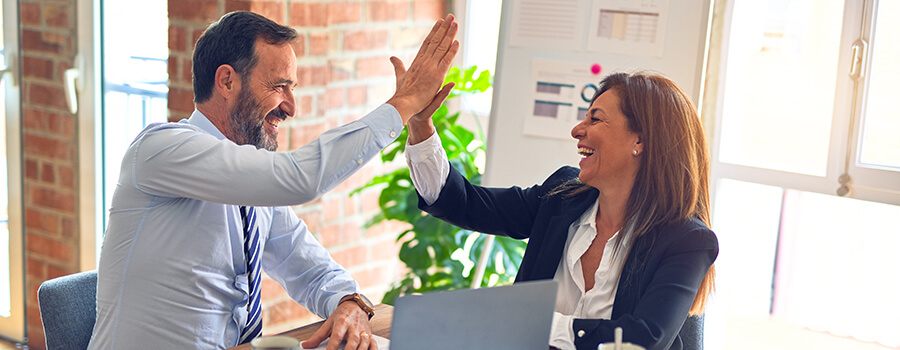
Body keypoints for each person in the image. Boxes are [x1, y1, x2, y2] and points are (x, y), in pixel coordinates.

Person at [88, 11, 458, 350]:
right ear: (227, 81)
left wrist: (350, 302)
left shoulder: (252, 187)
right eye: (279, 86)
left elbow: (309, 267)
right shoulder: (161, 150)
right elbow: (301, 179)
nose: (291, 106)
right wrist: (404, 103)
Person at [404, 71, 718, 350]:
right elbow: (463, 203)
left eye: (595, 119)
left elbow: (643, 339)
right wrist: (420, 123)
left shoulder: (687, 240)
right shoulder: (562, 196)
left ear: (640, 140)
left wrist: (530, 323)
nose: (577, 130)